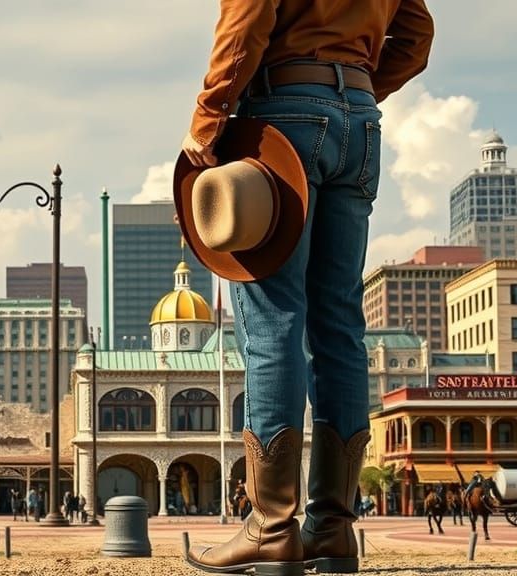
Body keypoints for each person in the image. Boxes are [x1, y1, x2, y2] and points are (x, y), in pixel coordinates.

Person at [180, 1, 434, 574]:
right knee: (340, 326)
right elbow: (417, 32)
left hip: (282, 117)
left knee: (273, 323)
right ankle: (334, 528)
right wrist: (360, 89)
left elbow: (245, 22)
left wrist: (207, 119)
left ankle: (270, 527)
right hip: (360, 124)